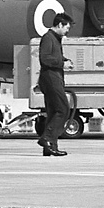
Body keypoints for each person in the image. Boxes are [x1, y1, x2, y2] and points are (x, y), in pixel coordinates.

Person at [37, 12, 74, 157]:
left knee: (53, 112)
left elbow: (54, 56)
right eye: (66, 28)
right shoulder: (48, 38)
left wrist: (65, 60)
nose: (67, 32)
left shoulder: (55, 39)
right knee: (63, 109)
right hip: (51, 79)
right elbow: (45, 58)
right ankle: (46, 138)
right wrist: (61, 63)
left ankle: (50, 147)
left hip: (54, 78)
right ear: (59, 25)